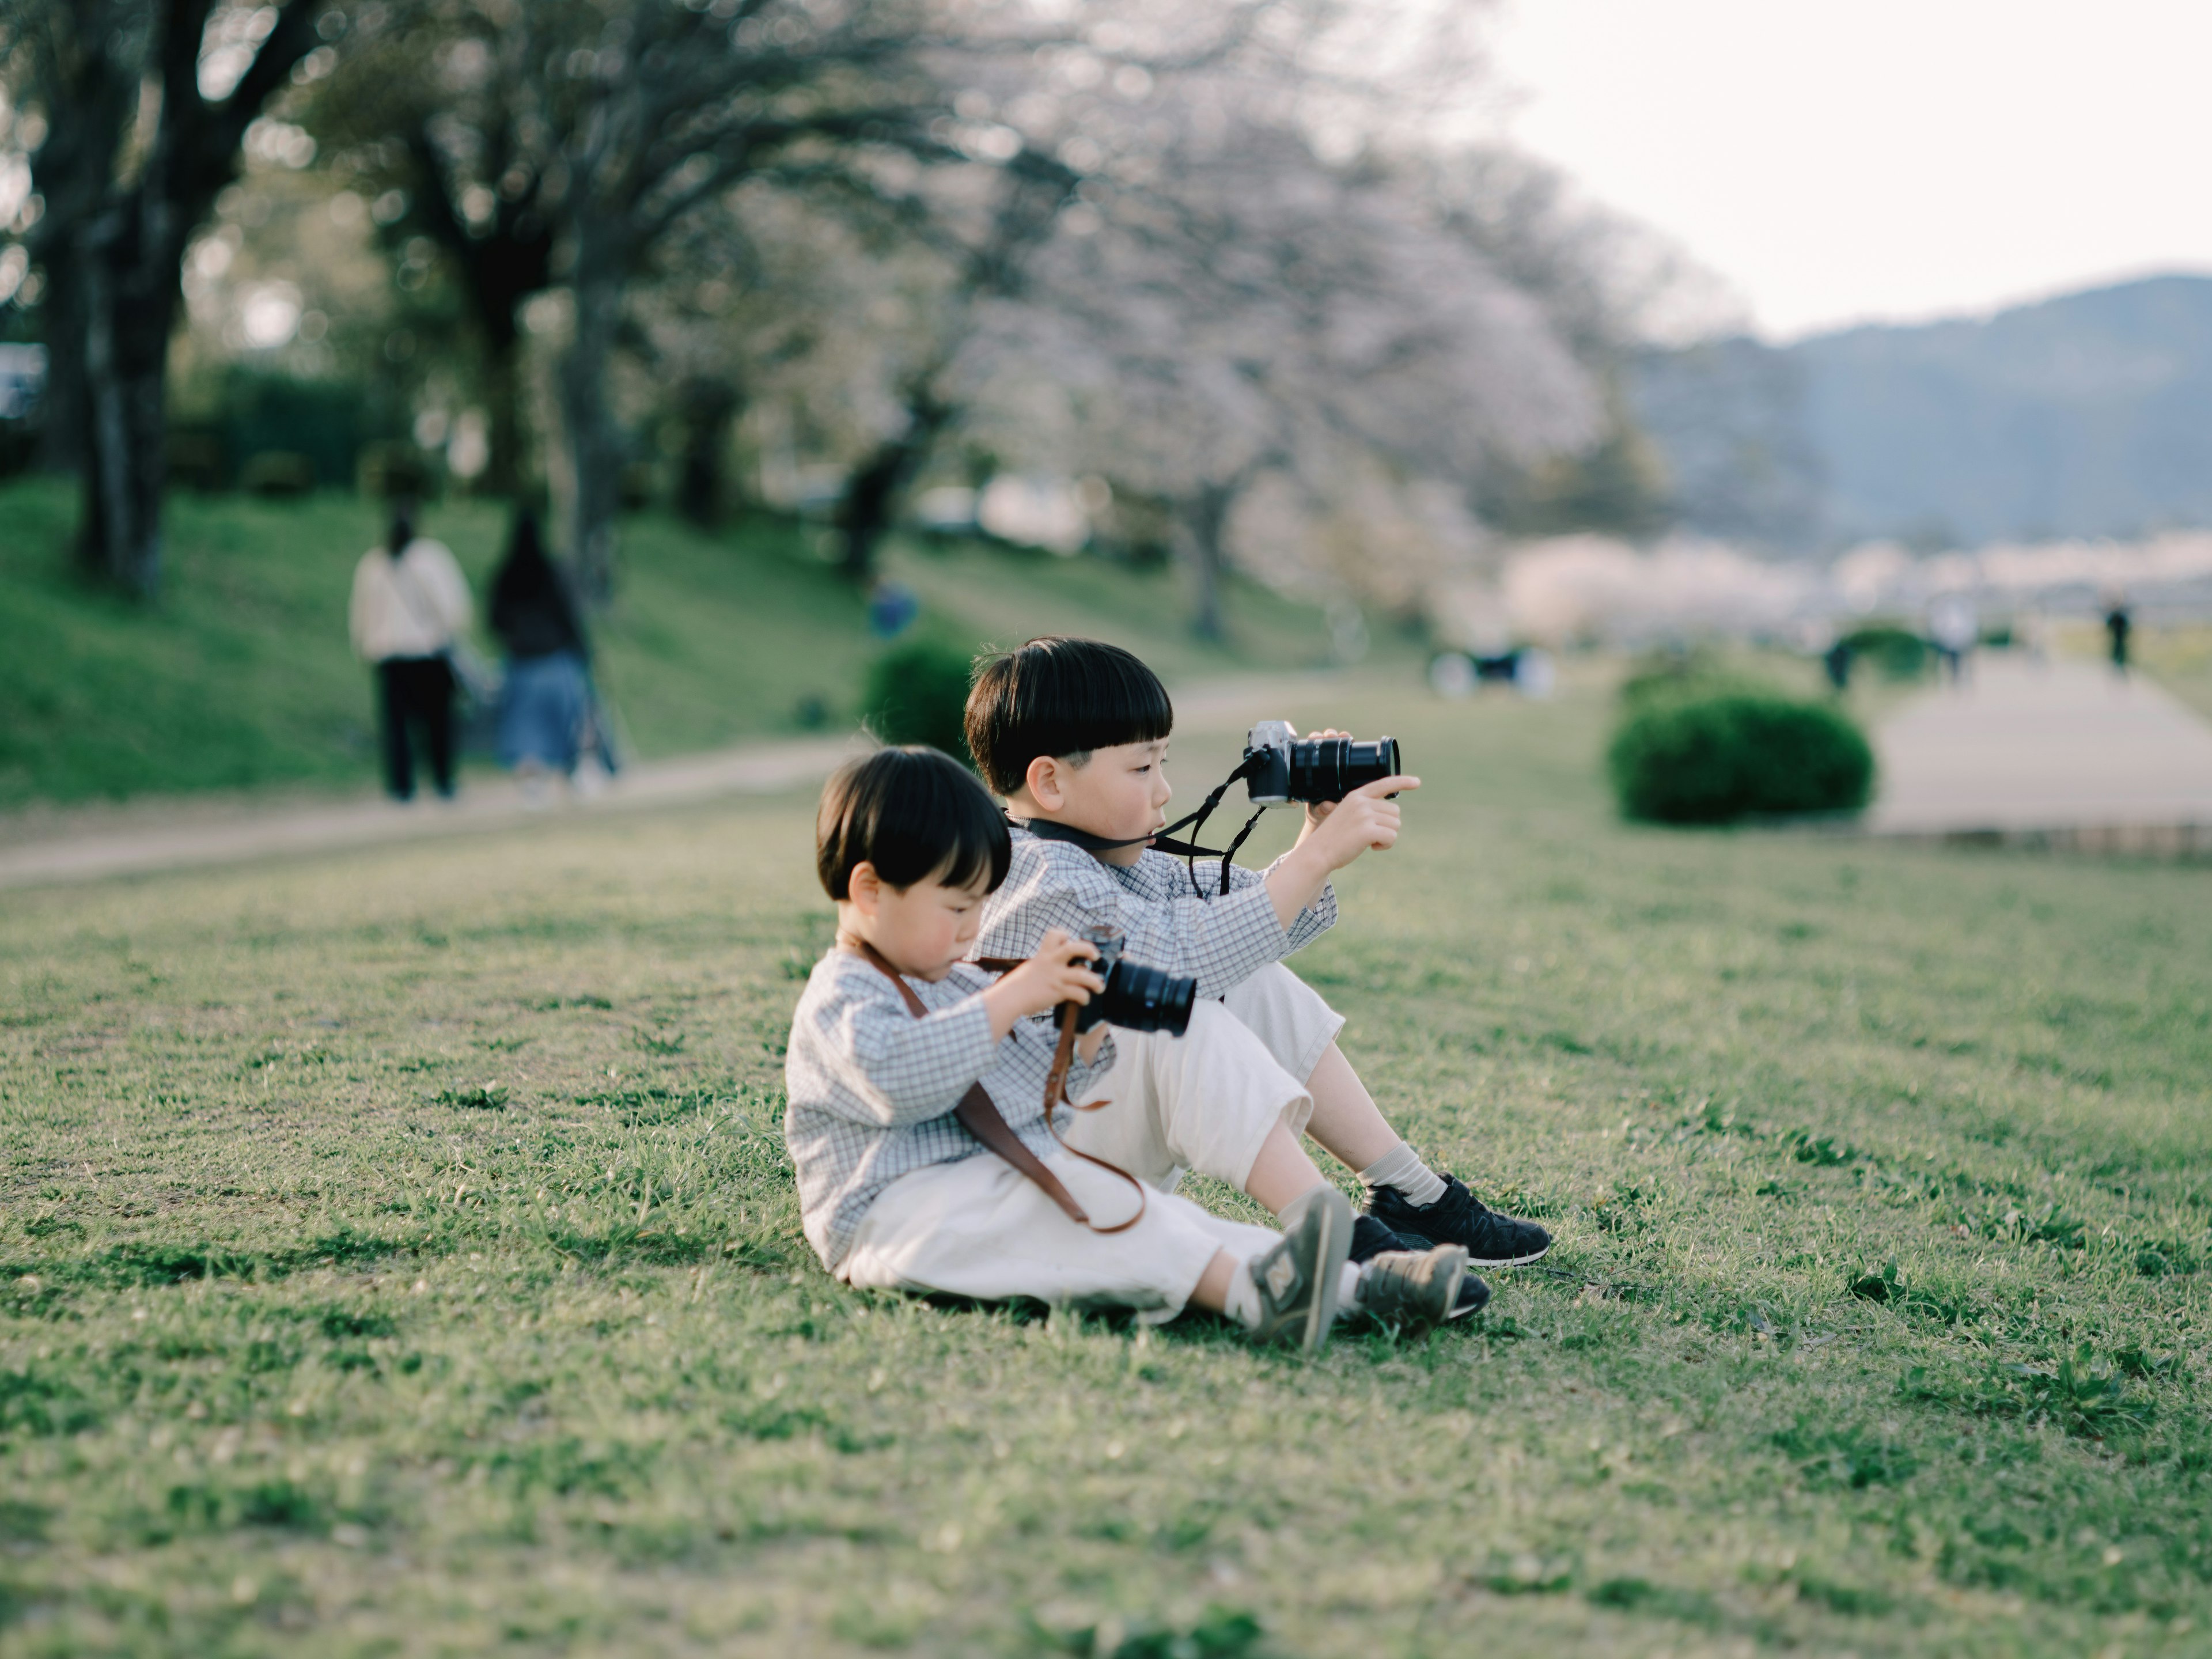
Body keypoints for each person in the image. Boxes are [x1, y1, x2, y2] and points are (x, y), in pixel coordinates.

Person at [784, 746, 1472, 1351]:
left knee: (1149, 1214)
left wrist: (1081, 1044)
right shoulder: (842, 995)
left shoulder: (948, 978)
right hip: (892, 1215)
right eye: (957, 910)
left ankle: (1362, 1285)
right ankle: (1264, 1297)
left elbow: (1009, 1091)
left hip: (989, 1177)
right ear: (869, 890)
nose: (973, 930)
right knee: (1110, 1219)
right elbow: (903, 1078)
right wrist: (1014, 996)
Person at [967, 638, 1550, 1286]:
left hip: (1099, 1130)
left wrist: (1314, 832)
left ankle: (1407, 1190)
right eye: (1141, 770)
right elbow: (1183, 961)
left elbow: (1248, 925)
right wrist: (1317, 856)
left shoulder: (1109, 859)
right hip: (1050, 1168)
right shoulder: (1034, 878)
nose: (1164, 792)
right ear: (1049, 781)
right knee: (1187, 1001)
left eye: (1164, 762)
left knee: (1250, 975)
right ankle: (1333, 1231)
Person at [349, 503, 472, 801]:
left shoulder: (373, 564)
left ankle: (401, 786)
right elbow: (453, 605)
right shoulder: (431, 558)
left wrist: (363, 646)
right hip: (428, 651)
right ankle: (443, 780)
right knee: (438, 721)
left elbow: (361, 612)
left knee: (397, 725)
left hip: (390, 655)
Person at [487, 510, 601, 802]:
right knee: (567, 724)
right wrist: (584, 651)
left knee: (527, 732)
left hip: (523, 663)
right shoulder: (553, 571)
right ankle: (576, 778)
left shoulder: (505, 575)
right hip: (557, 659)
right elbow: (570, 615)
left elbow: (495, 621)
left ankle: (532, 789)